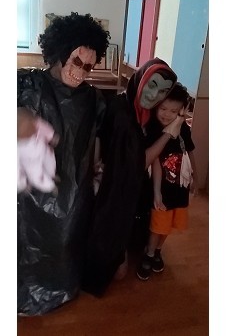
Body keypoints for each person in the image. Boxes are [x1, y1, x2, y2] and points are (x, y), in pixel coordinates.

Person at [17, 12, 109, 316]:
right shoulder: (29, 84)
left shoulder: (92, 98)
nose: (81, 72)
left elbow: (97, 136)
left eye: (89, 66)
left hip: (73, 188)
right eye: (77, 61)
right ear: (59, 52)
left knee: (66, 239)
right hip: (32, 190)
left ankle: (62, 287)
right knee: (30, 240)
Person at [82, 58, 186, 296]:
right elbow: (138, 165)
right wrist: (169, 133)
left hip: (128, 188)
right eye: (152, 84)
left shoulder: (142, 111)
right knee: (116, 272)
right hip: (110, 192)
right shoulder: (124, 116)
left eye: (162, 91)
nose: (154, 95)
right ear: (141, 80)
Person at [136, 82, 198, 281]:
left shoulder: (183, 129)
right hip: (161, 190)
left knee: (169, 226)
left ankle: (158, 251)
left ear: (181, 110)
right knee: (157, 226)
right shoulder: (153, 129)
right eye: (163, 108)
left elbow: (189, 151)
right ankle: (149, 253)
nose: (166, 114)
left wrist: (195, 176)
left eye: (173, 111)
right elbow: (154, 162)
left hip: (179, 189)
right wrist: (157, 193)